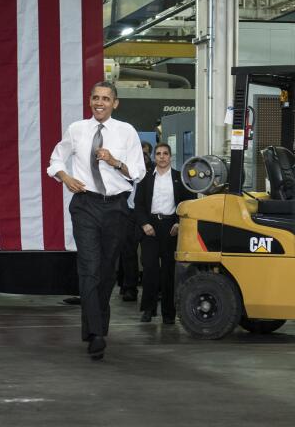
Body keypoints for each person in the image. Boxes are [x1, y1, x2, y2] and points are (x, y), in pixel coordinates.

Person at [47, 82, 146, 360]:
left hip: (115, 207)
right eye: (95, 98)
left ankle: (95, 328)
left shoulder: (126, 132)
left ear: (115, 103)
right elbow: (55, 160)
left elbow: (138, 173)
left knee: (106, 271)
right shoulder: (77, 129)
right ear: (90, 101)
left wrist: (115, 162)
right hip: (85, 205)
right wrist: (65, 177)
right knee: (88, 268)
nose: (99, 102)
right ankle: (97, 334)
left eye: (105, 98)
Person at [134, 142, 194, 324]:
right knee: (150, 270)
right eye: (158, 153)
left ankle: (169, 313)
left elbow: (188, 204)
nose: (161, 156)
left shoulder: (179, 178)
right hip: (150, 228)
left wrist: (178, 223)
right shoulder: (146, 179)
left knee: (169, 272)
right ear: (155, 157)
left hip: (171, 228)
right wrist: (144, 224)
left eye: (165, 153)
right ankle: (148, 310)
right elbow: (138, 205)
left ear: (170, 157)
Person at [117, 141, 155, 302]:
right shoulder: (127, 168)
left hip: (148, 215)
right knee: (128, 252)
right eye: (141, 152)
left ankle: (153, 288)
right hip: (129, 213)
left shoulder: (154, 171)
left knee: (149, 255)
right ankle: (130, 288)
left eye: (146, 153)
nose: (143, 155)